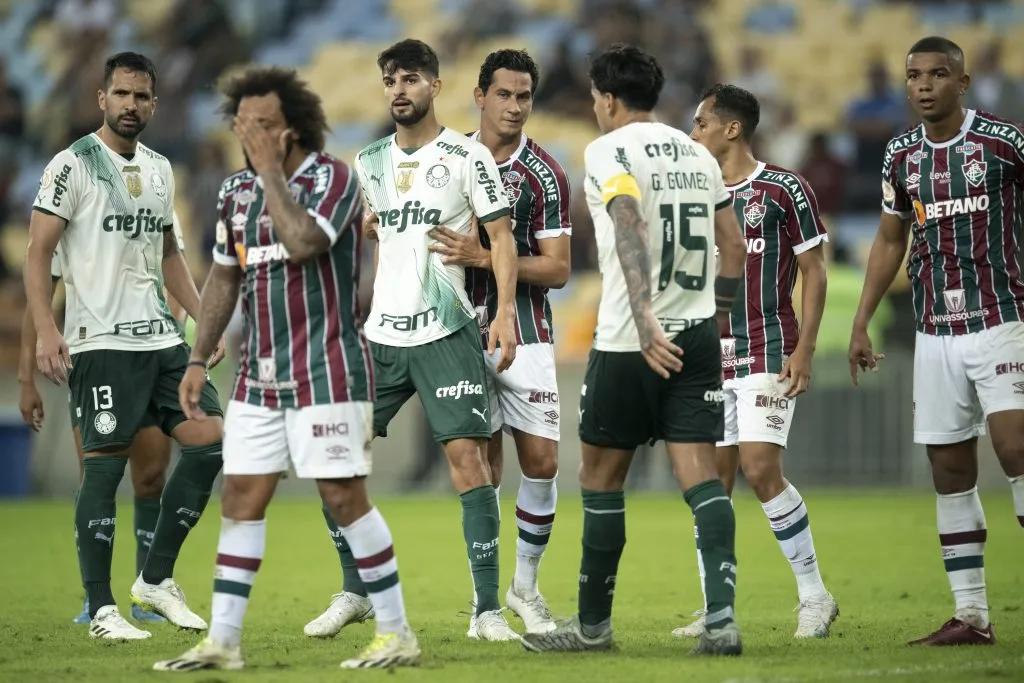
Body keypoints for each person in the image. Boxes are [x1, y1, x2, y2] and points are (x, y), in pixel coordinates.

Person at [154, 66, 419, 671]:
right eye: (243, 126)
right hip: (258, 376)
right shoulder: (232, 193)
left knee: (343, 497)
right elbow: (225, 275)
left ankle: (397, 631)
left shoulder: (334, 180)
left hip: (328, 370)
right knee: (241, 495)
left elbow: (302, 241)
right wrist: (199, 355)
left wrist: (270, 170)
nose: (249, 137)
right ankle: (223, 641)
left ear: (294, 128)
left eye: (263, 126)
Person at [520, 43, 748, 656]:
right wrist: (716, 315)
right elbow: (734, 244)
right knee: (700, 475)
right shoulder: (698, 155)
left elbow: (627, 220)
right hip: (697, 332)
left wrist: (646, 317)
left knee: (600, 477)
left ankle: (593, 628)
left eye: (596, 99)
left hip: (630, 336)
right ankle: (722, 620)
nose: (595, 109)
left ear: (609, 99)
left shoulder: (608, 149)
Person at [304, 38, 521, 642]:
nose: (399, 90)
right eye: (390, 81)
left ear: (435, 86)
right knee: (334, 452)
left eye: (410, 79)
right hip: (381, 334)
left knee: (467, 462)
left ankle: (486, 612)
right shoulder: (369, 161)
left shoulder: (467, 157)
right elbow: (375, 232)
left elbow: (500, 238)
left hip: (445, 331)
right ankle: (355, 590)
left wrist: (503, 313)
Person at [25, 51, 224, 640]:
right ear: (102, 99)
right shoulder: (72, 165)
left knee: (212, 441)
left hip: (161, 339)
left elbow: (170, 255)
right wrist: (45, 330)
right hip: (101, 340)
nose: (131, 105)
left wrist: (198, 318)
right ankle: (101, 608)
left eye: (142, 96)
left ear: (155, 104)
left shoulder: (162, 170)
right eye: (122, 94)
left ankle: (155, 580)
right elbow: (39, 254)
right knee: (104, 474)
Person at [849, 35, 1024, 647]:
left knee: (1015, 447)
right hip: (934, 330)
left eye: (938, 74)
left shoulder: (1005, 143)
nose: (924, 85)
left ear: (964, 82)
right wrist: (861, 318)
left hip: (1004, 318)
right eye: (915, 76)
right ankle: (972, 616)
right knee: (949, 469)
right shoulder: (900, 154)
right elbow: (891, 238)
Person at [416, 48, 571, 635]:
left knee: (544, 460)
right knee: (482, 465)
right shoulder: (444, 159)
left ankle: (524, 587)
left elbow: (558, 269)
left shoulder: (546, 173)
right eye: (503, 94)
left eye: (524, 96)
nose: (514, 106)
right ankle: (486, 603)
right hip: (454, 329)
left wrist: (483, 255)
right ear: (478, 97)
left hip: (526, 329)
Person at [679, 83, 837, 639]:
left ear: (731, 128)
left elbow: (815, 270)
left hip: (768, 345)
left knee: (760, 467)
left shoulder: (782, 187)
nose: (692, 133)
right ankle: (714, 608)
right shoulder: (693, 192)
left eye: (700, 123)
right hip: (707, 356)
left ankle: (815, 596)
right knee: (711, 484)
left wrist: (805, 349)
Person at [19, 230, 193, 626]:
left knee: (151, 477)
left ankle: (148, 592)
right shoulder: (70, 207)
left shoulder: (155, 185)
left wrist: (172, 334)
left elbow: (174, 270)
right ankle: (95, 595)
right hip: (96, 356)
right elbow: (41, 294)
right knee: (97, 476)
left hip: (150, 355)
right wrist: (26, 378)